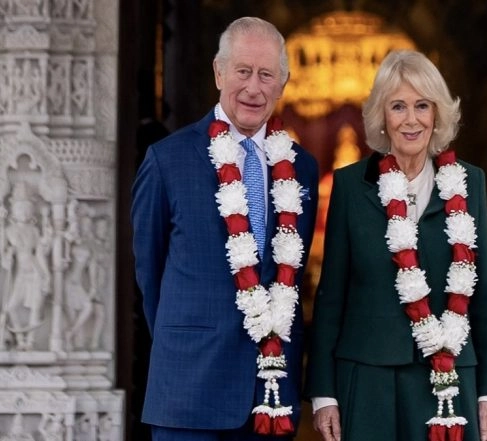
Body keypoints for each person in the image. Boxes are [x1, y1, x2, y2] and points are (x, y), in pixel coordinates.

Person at [131, 16, 319, 441]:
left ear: (283, 84)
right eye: (243, 71)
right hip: (189, 390)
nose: (254, 88)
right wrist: (186, 338)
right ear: (219, 73)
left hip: (270, 395)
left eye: (266, 75)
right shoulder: (167, 160)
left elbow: (294, 272)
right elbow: (149, 273)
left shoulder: (302, 168)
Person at [305, 50, 487, 441]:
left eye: (422, 106)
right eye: (398, 106)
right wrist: (323, 393)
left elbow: (484, 294)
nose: (411, 119)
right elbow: (331, 297)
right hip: (368, 380)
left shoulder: (470, 183)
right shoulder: (349, 186)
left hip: (450, 379)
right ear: (382, 116)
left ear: (437, 113)